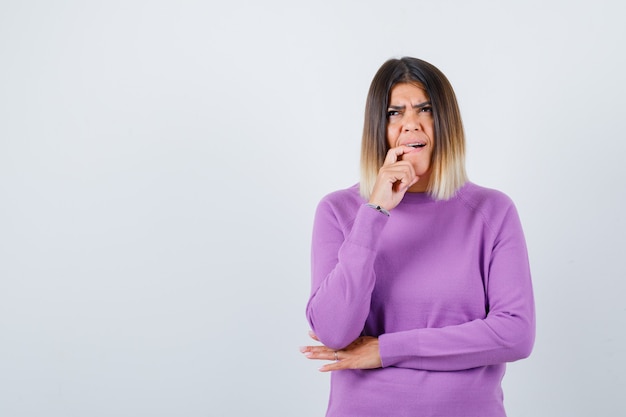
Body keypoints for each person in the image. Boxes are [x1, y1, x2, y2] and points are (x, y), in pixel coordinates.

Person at [300, 57, 535, 417]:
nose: (411, 123)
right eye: (395, 113)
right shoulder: (339, 211)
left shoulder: (493, 211)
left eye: (424, 109)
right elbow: (334, 331)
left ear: (446, 122)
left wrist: (386, 349)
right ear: (379, 128)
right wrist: (375, 211)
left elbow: (515, 333)